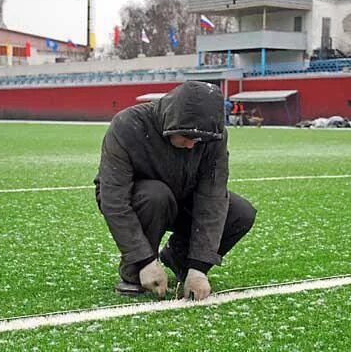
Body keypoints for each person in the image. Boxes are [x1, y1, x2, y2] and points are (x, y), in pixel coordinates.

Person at [94, 81, 256, 301]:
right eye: (186, 137)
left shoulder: (212, 136)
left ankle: (179, 260)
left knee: (240, 212)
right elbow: (114, 198)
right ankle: (136, 271)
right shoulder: (127, 125)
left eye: (197, 141)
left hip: (183, 193)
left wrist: (199, 266)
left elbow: (213, 196)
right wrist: (143, 260)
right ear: (171, 122)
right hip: (144, 199)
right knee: (155, 195)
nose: (191, 146)